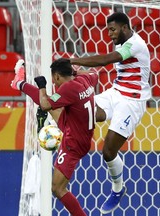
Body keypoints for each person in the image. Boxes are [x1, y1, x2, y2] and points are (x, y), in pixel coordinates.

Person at [70, 12, 151, 214]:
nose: (109, 34)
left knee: (108, 152)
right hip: (116, 92)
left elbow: (106, 60)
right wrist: (80, 72)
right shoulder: (121, 41)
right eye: (107, 30)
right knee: (81, 110)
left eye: (112, 29)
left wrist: (72, 60)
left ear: (125, 27)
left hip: (132, 101)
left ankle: (118, 188)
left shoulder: (135, 44)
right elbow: (111, 67)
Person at [11, 58, 98, 216]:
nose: (54, 82)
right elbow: (95, 73)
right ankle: (19, 83)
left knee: (57, 188)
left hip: (73, 143)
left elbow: (44, 105)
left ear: (57, 76)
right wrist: (75, 71)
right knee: (53, 106)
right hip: (79, 129)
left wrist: (42, 86)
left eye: (53, 79)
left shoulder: (68, 89)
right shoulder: (85, 79)